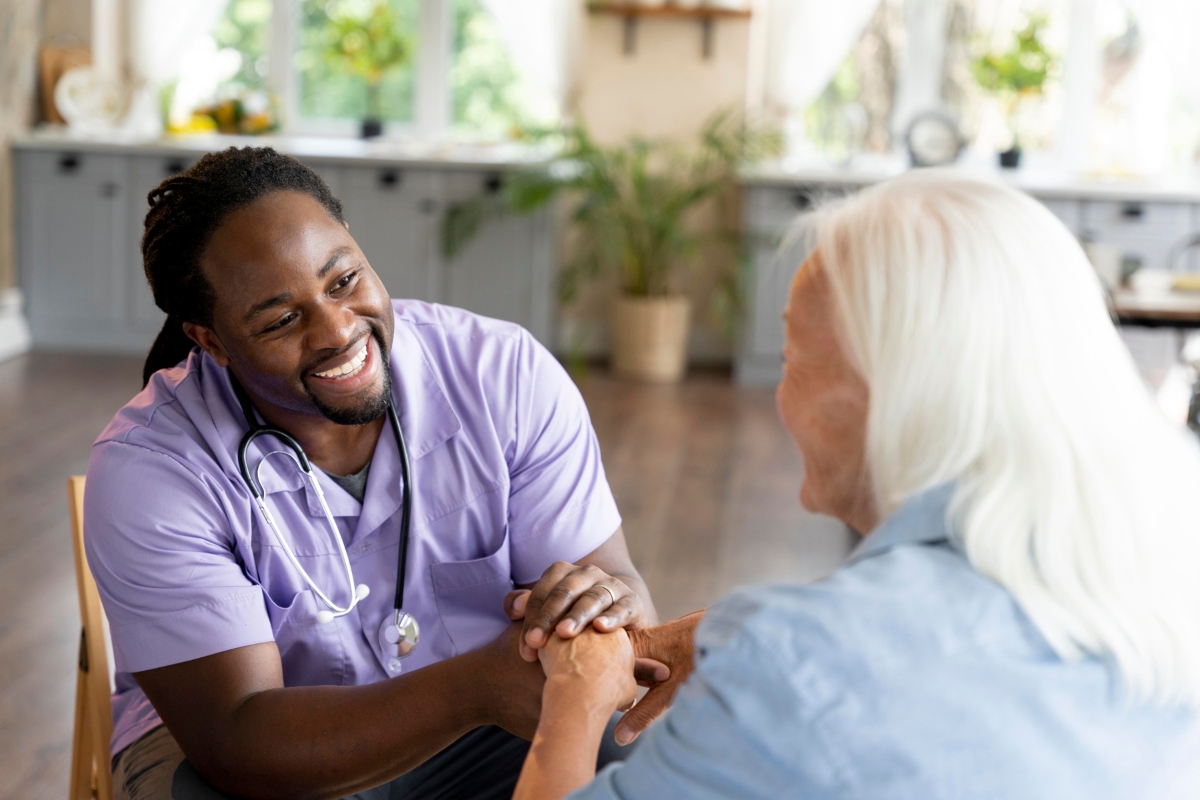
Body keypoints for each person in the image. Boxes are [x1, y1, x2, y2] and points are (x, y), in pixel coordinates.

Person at [510, 170, 1200, 799]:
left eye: (794, 359)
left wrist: (574, 699)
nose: (781, 395)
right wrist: (741, 633)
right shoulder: (1167, 564)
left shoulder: (803, 664)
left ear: (887, 393)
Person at [84, 146, 663, 800]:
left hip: (484, 729)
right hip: (261, 756)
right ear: (210, 340)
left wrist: (603, 603)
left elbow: (619, 598)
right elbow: (236, 741)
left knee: (646, 766)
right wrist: (474, 688)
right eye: (280, 319)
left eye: (344, 280)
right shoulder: (152, 470)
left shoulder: (503, 377)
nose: (337, 330)